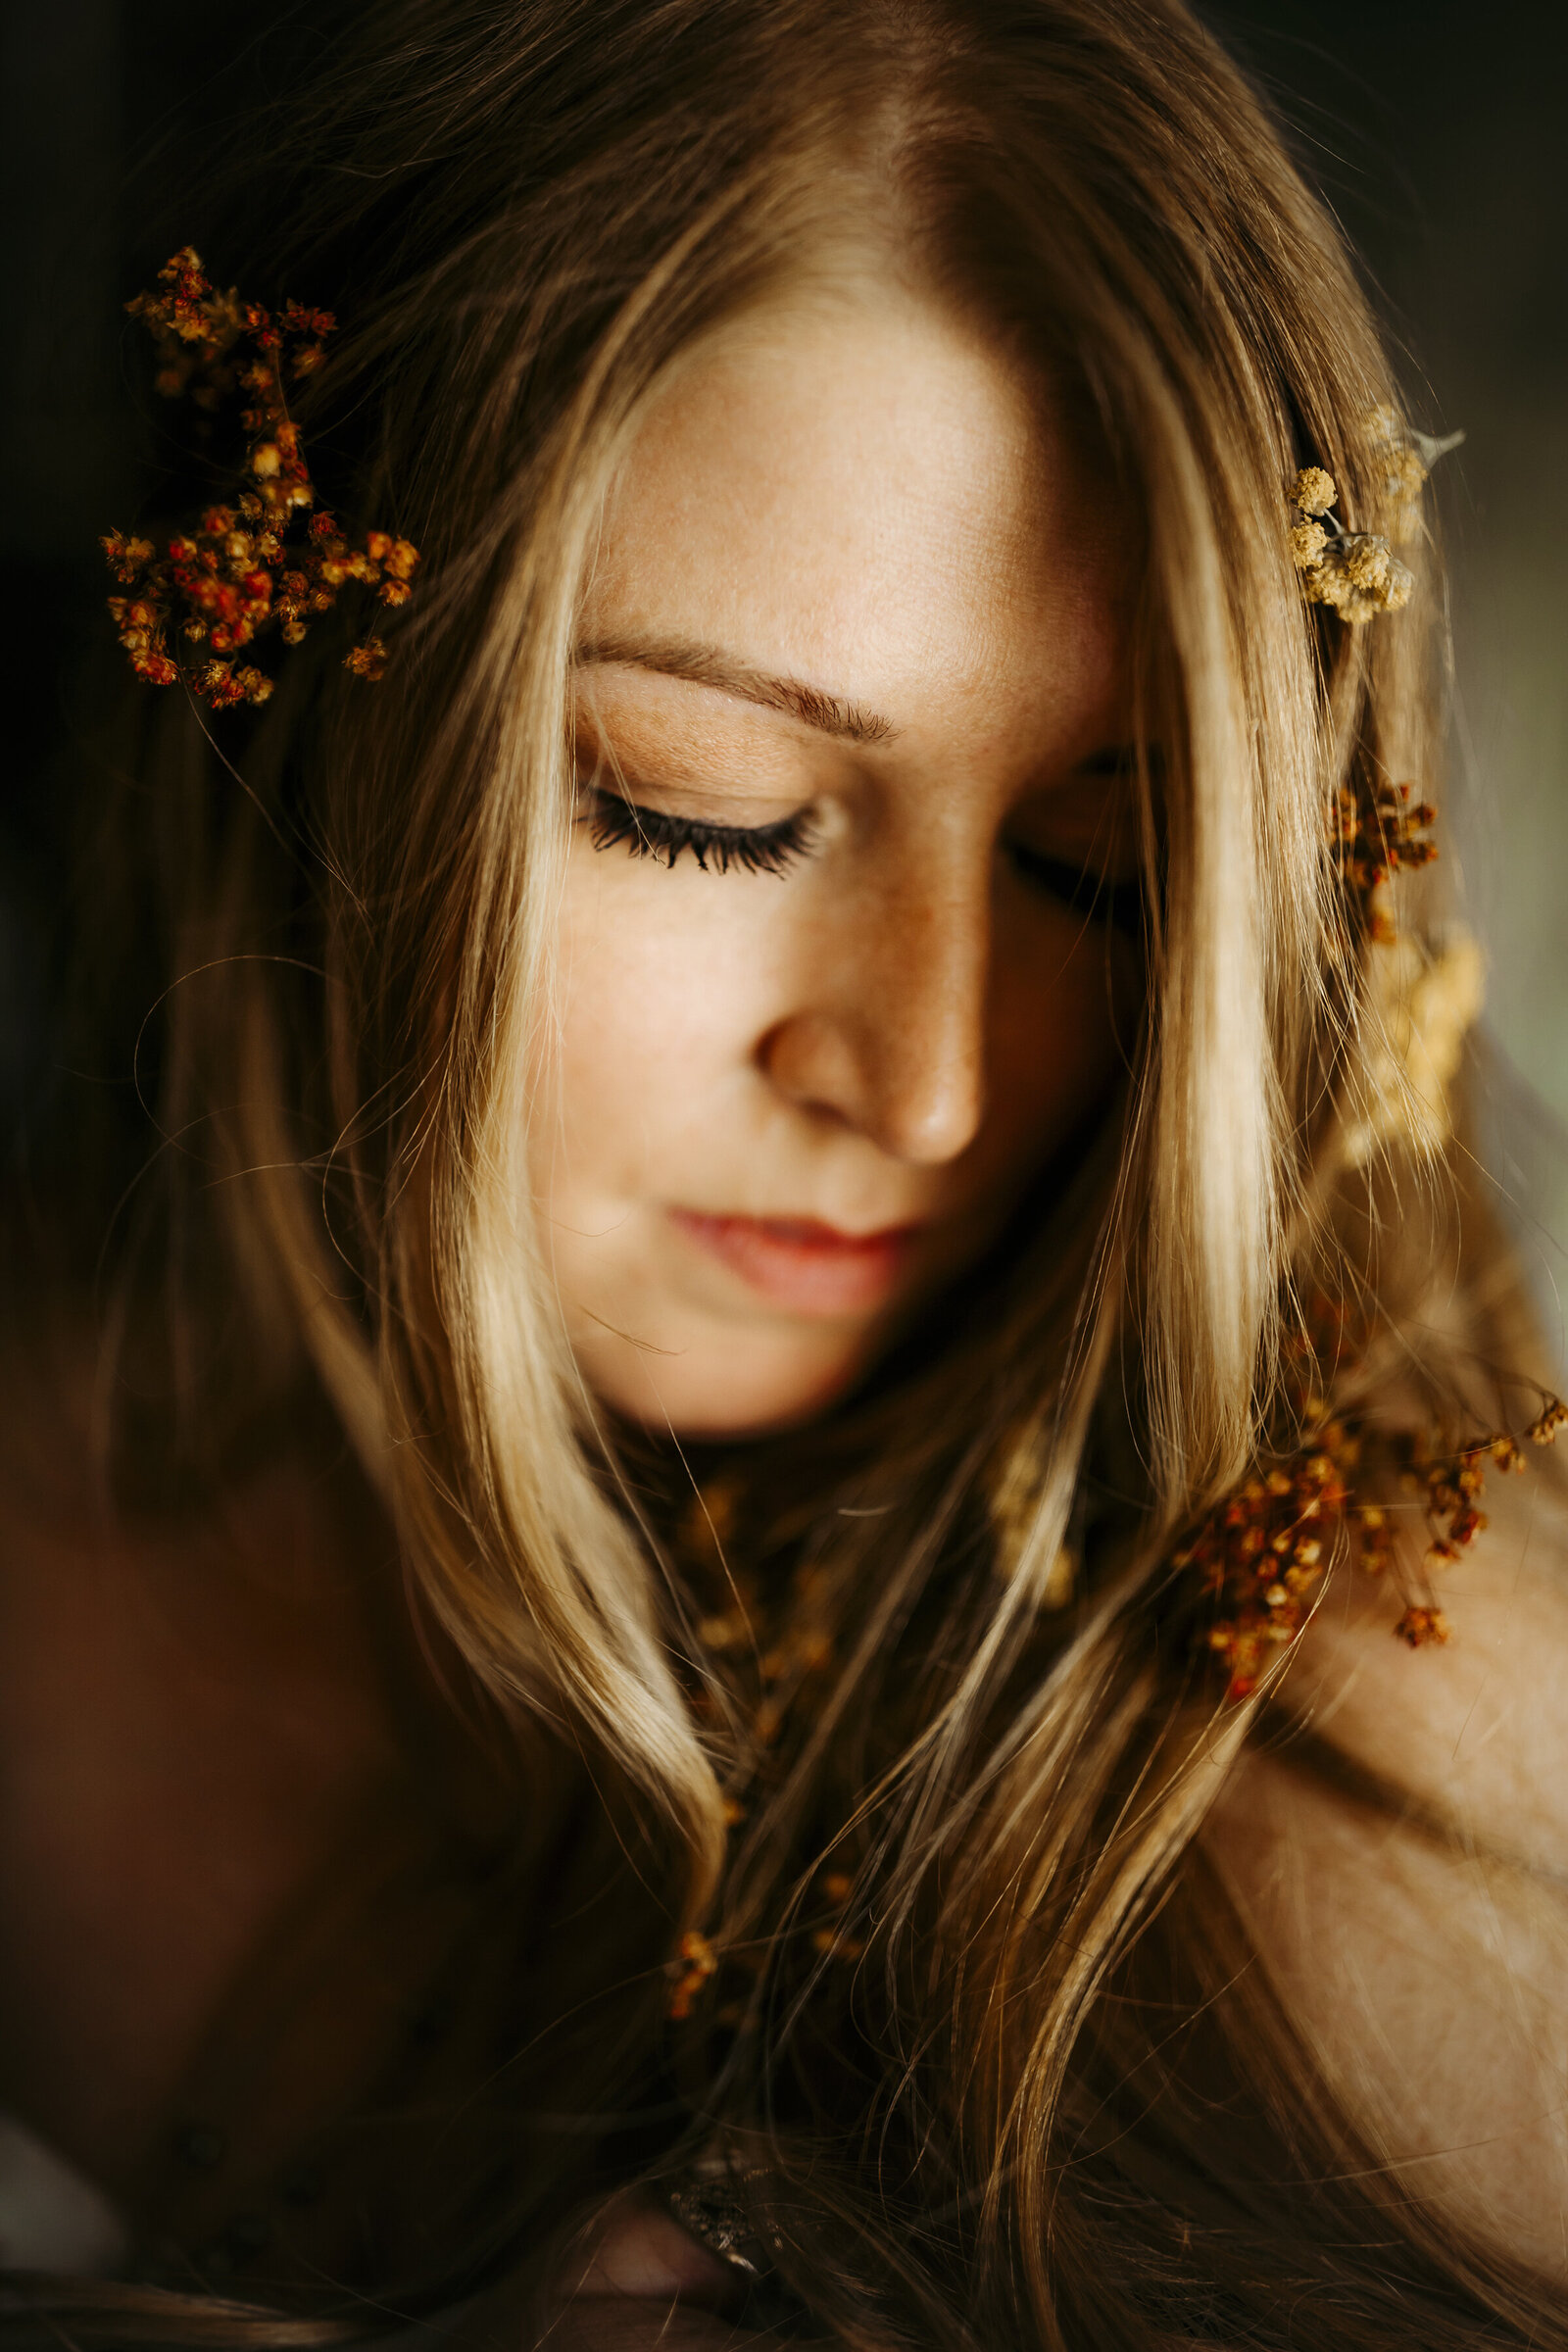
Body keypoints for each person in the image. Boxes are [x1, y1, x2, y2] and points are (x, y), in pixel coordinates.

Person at [5, 0, 1567, 2345]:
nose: (924, 1086)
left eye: (1101, 867)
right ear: (287, 696)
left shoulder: (1364, 1728)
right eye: (700, 806)